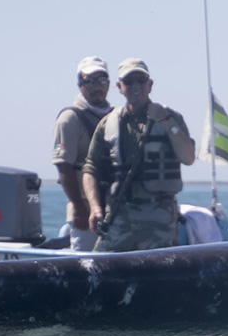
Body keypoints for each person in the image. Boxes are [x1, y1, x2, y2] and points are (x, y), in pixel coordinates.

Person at [82, 58, 197, 252]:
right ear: (119, 87)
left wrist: (167, 122)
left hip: (159, 216)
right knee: (98, 265)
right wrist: (95, 208)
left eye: (140, 81)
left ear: (149, 85)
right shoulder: (107, 123)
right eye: (129, 82)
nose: (136, 86)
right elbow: (90, 168)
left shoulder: (172, 118)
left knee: (160, 271)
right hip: (120, 215)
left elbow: (189, 158)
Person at [51, 56, 113, 250]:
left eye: (101, 80)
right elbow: (64, 167)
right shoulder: (69, 119)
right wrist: (77, 207)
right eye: (89, 81)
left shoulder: (116, 116)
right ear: (80, 84)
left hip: (114, 211)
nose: (96, 86)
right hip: (85, 214)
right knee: (87, 265)